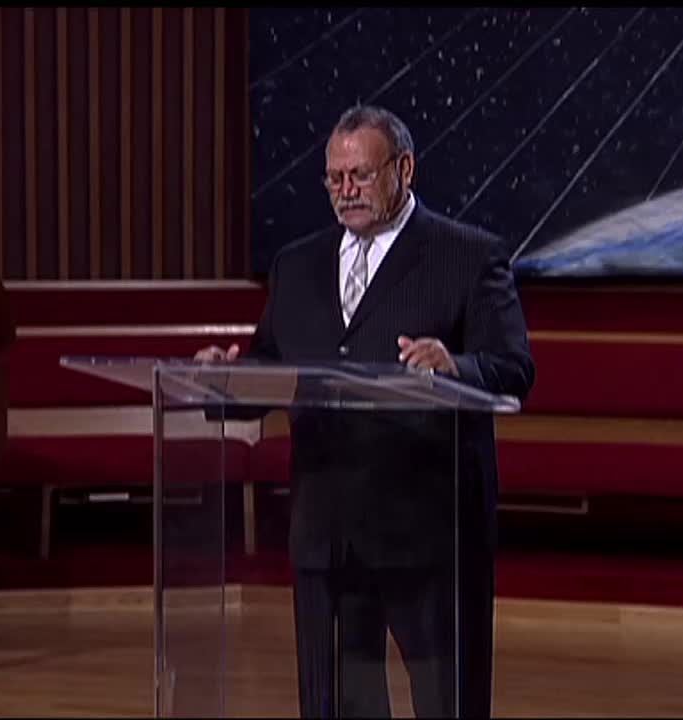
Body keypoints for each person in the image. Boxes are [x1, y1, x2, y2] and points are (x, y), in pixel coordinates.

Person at [196, 104, 534, 718]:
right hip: (327, 533)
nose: (345, 191)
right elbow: (270, 364)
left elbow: (514, 369)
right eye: (334, 178)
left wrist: (456, 366)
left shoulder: (468, 257)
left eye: (361, 175)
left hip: (429, 530)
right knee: (338, 705)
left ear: (404, 168)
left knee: (446, 703)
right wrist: (225, 376)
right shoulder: (296, 265)